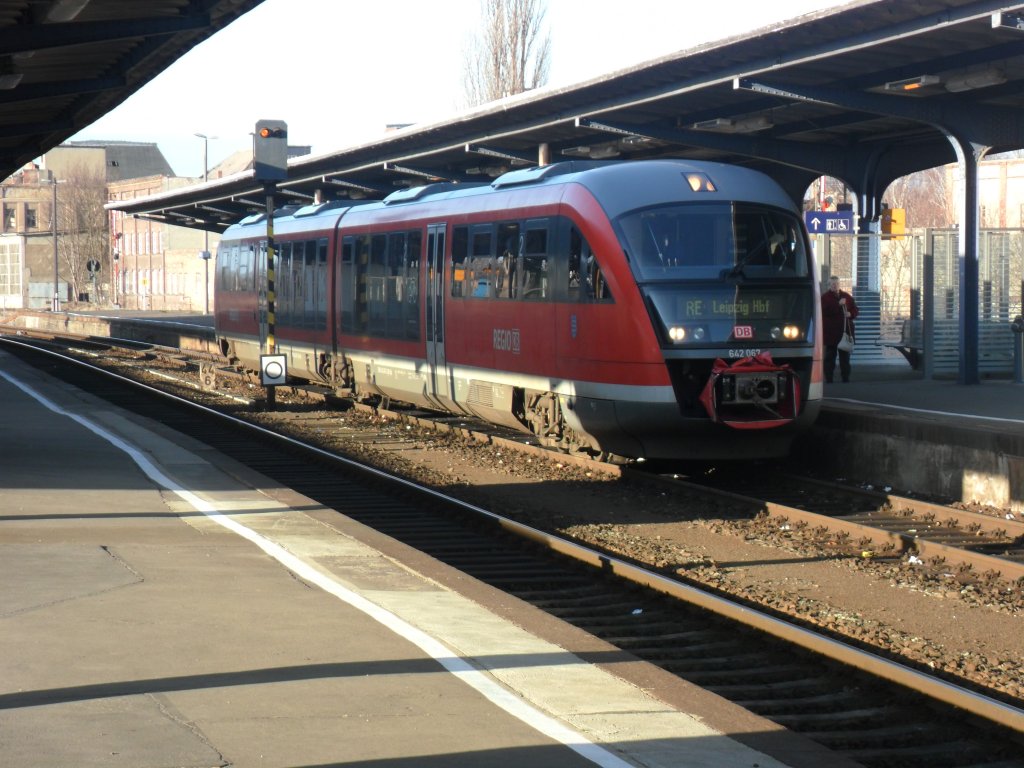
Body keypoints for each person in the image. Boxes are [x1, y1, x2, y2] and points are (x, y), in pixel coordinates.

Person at [822, 275, 858, 383]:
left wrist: (850, 313)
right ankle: (829, 379)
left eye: (836, 283)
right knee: (830, 358)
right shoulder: (825, 298)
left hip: (844, 332)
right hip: (831, 333)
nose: (835, 285)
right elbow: (824, 312)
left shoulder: (847, 296)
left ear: (839, 284)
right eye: (832, 284)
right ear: (829, 285)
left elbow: (855, 309)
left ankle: (845, 378)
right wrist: (838, 305)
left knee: (845, 358)